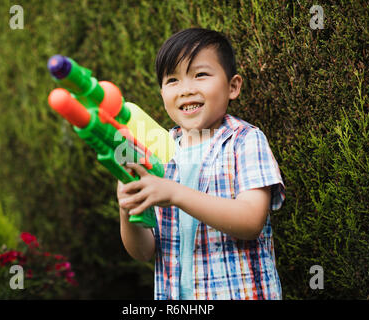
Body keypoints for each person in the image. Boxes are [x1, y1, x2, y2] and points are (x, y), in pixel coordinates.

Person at [117, 28, 286, 300]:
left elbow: (250, 220)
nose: (186, 89)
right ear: (161, 92)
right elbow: (144, 251)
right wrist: (128, 209)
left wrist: (175, 193)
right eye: (172, 80)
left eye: (200, 75)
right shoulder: (157, 153)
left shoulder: (244, 141)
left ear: (233, 86)